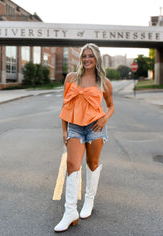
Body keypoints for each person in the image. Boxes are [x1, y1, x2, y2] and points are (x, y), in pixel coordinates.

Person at [54, 43, 114, 233]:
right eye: (84, 56)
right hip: (75, 127)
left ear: (97, 58)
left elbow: (111, 106)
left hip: (96, 126)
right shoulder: (72, 78)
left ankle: (89, 201)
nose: (87, 59)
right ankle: (70, 211)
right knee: (72, 165)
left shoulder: (104, 81)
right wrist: (64, 130)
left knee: (92, 164)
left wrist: (105, 118)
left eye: (91, 56)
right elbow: (65, 105)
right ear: (81, 58)